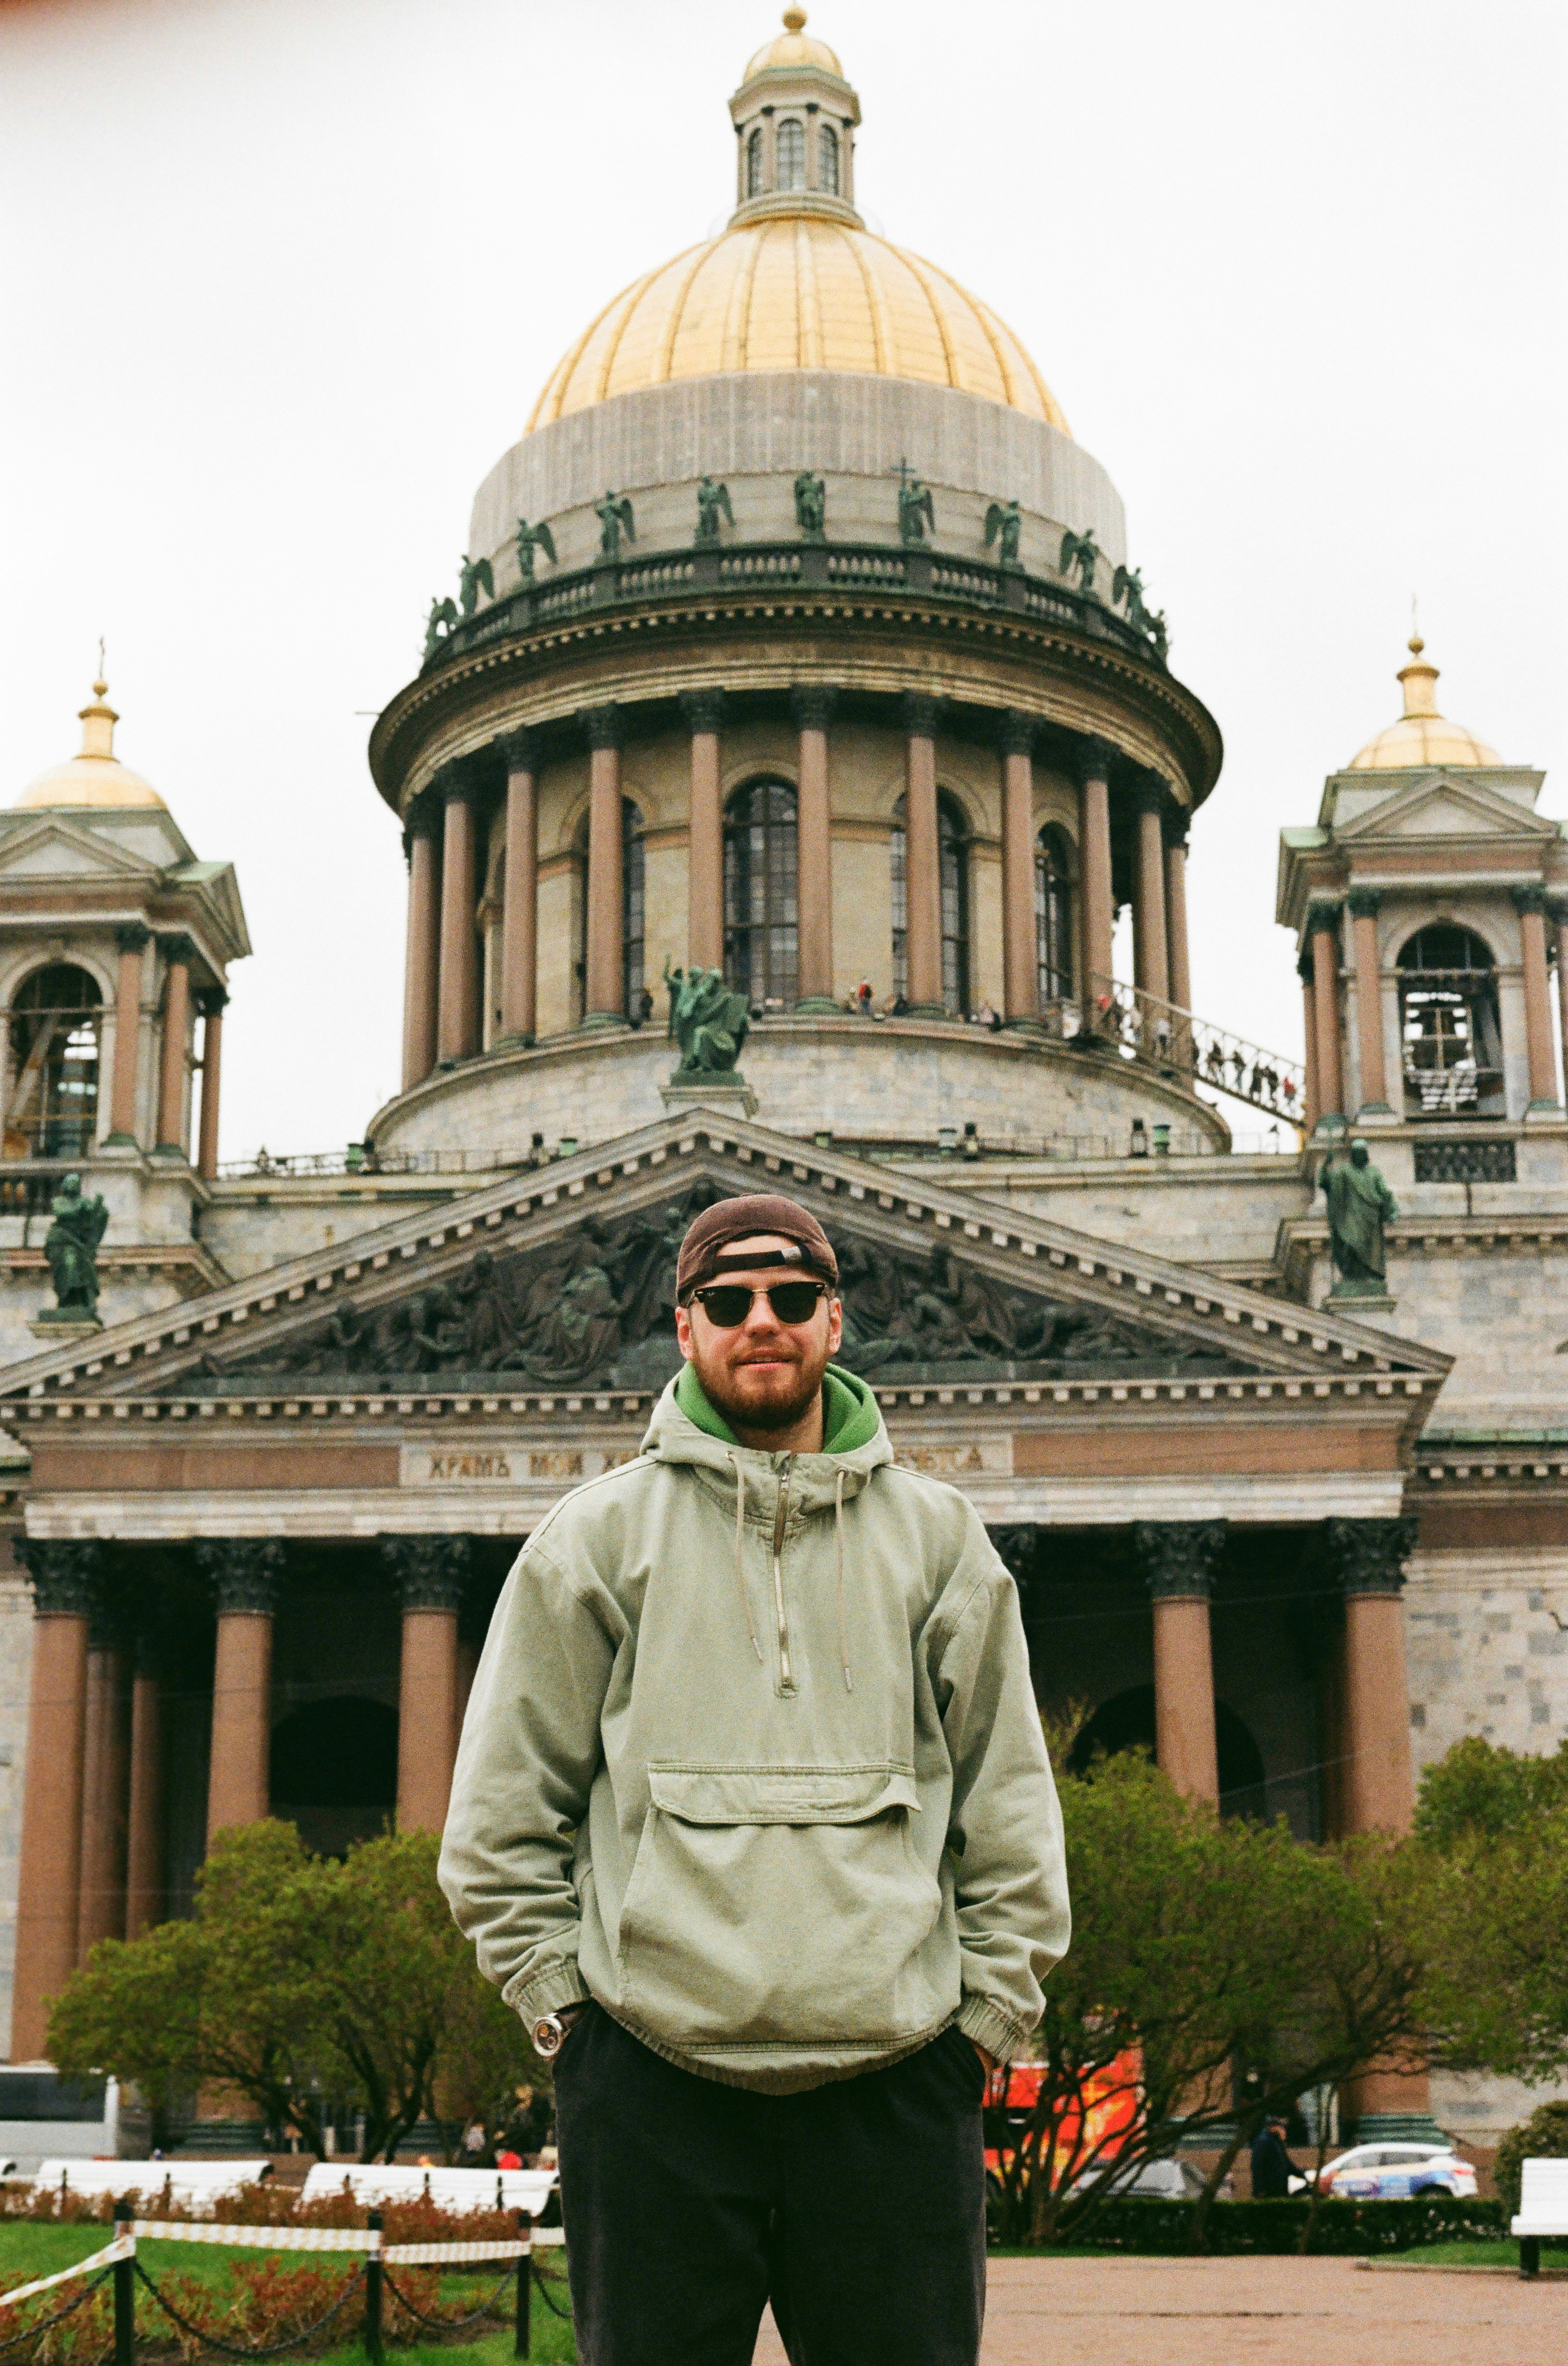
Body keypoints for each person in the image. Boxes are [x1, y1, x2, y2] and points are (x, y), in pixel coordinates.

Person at [440, 1192, 1069, 2366]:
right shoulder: (592, 1540)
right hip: (652, 2081)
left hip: (892, 2079)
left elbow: (1009, 1805)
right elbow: (497, 1819)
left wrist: (981, 2026)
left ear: (836, 1323)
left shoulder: (938, 1540)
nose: (760, 1323)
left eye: (790, 1301)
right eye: (727, 1303)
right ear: (682, 1330)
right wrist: (570, 2023)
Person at [1250, 2114, 1297, 2199]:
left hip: (1279, 2187)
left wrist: (1302, 2174)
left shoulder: (1277, 2142)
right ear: (1273, 2128)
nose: (1284, 2131)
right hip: (1269, 2188)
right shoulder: (1264, 2141)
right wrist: (1260, 2189)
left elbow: (1287, 2164)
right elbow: (1257, 2166)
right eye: (1281, 2128)